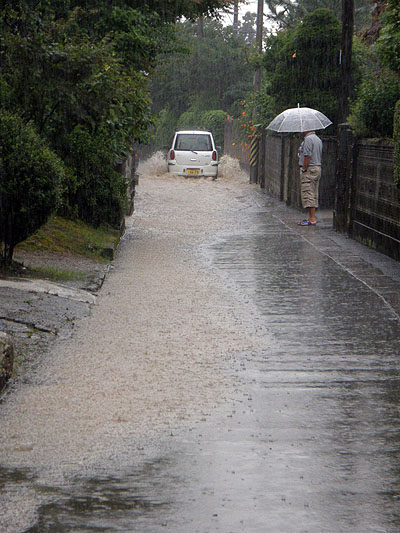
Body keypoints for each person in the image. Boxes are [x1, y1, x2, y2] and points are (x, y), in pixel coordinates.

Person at [297, 130, 322, 226]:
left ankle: (311, 219)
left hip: (310, 169)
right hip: (317, 168)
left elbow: (307, 156)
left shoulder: (308, 139)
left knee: (308, 192)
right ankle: (311, 216)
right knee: (314, 192)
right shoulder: (317, 139)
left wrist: (304, 168)